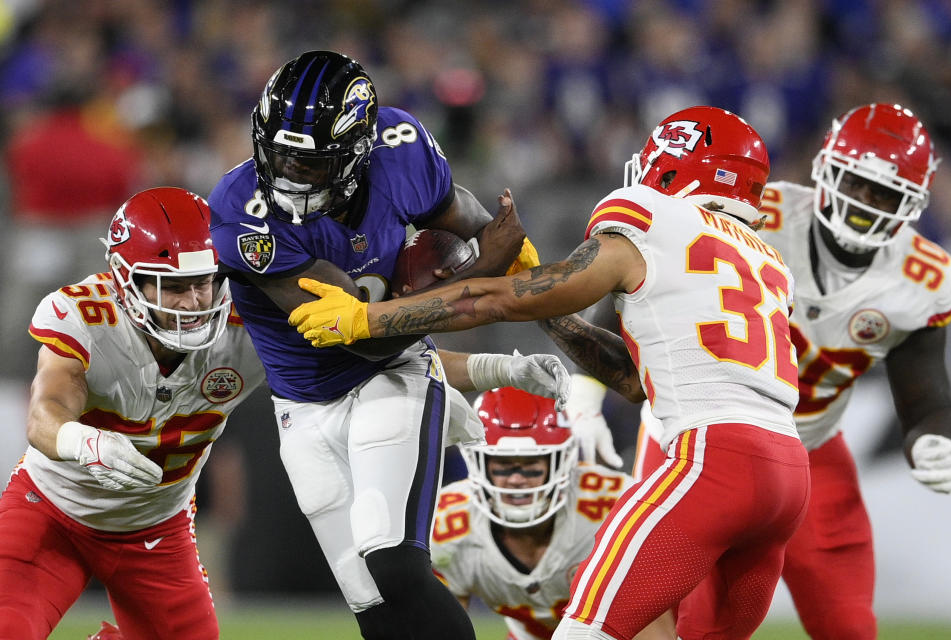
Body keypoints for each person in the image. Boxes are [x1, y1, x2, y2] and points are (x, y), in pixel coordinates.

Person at [287, 105, 812, 640]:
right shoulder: (767, 262)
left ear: (675, 170)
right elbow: (633, 381)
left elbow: (499, 302)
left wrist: (369, 318)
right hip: (788, 477)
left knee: (584, 633)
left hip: (711, 460)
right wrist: (552, 311)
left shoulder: (655, 219)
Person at [206, 50, 541, 640]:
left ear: (359, 152)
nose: (287, 176)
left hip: (394, 377)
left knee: (395, 566)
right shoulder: (242, 212)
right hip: (303, 409)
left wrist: (501, 249)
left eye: (309, 164)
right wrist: (482, 271)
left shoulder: (400, 145)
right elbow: (356, 335)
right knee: (377, 612)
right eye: (280, 155)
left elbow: (461, 216)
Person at [625, 103, 951, 640]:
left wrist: (934, 437)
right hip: (695, 432)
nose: (863, 204)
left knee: (849, 625)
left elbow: (926, 399)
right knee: (682, 619)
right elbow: (633, 279)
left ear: (910, 205)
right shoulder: (756, 214)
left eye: (884, 195)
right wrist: (587, 387)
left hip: (811, 446)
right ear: (826, 168)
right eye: (856, 183)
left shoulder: (921, 279)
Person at [0, 187, 260, 640]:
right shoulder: (83, 315)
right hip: (51, 511)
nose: (193, 303)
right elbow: (47, 410)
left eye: (201, 283)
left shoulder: (252, 325)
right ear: (126, 280)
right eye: (173, 286)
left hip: (158, 529)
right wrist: (84, 441)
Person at [431, 386, 674, 640]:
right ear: (478, 464)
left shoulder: (613, 506)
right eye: (502, 465)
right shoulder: (448, 523)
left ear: (562, 463)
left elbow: (654, 627)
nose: (516, 480)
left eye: (531, 466)